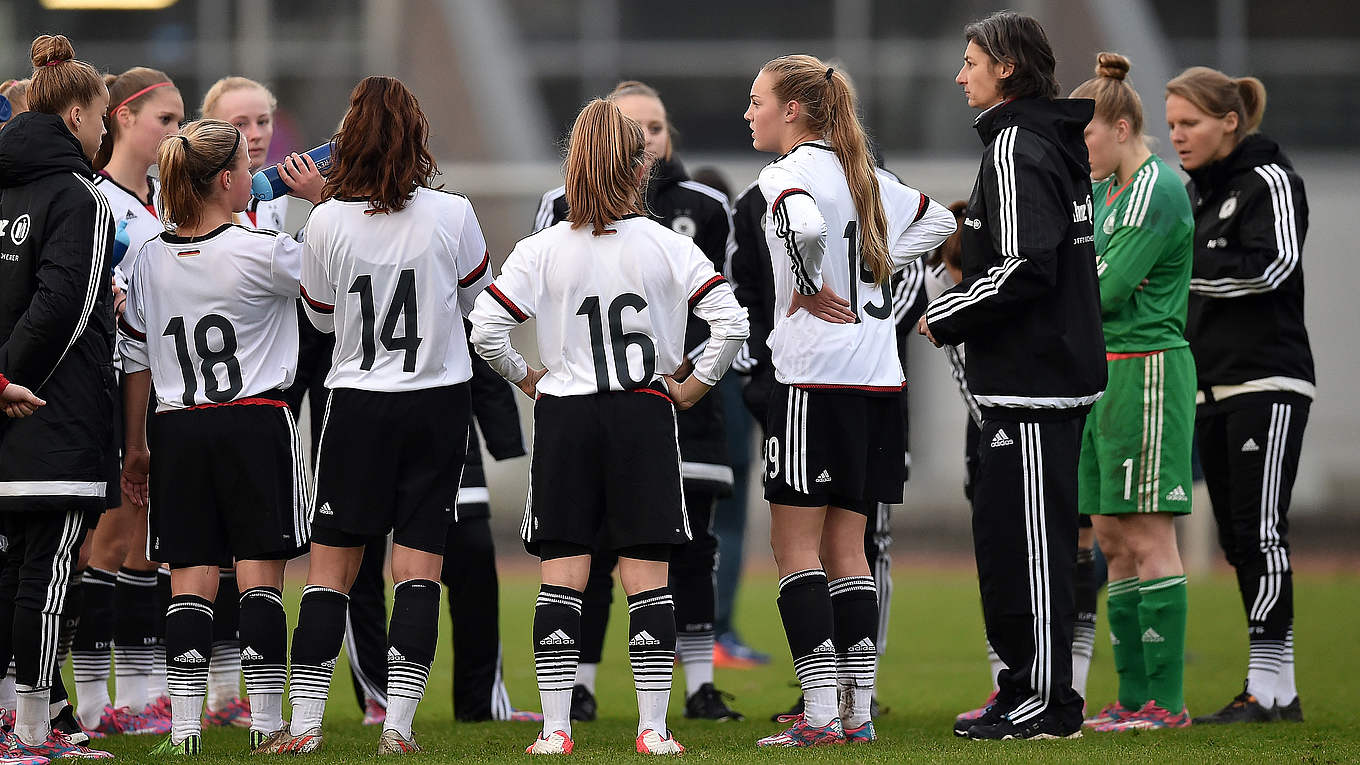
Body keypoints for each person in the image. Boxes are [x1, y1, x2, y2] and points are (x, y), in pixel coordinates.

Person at [470, 98, 748, 756]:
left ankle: (555, 728)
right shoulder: (667, 244)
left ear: (574, 167)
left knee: (562, 571)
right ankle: (653, 727)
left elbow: (485, 326)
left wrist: (527, 376)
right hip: (643, 412)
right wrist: (694, 384)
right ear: (638, 167)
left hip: (566, 414)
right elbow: (731, 322)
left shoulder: (542, 248)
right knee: (646, 572)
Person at [255, 75, 494, 756]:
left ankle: (302, 728)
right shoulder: (454, 212)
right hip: (438, 402)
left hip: (358, 403)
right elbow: (475, 293)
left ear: (348, 140)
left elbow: (320, 316)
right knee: (418, 569)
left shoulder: (324, 219)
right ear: (417, 137)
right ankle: (398, 728)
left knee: (330, 571)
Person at [745, 55, 955, 747]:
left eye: (758, 102)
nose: (750, 114)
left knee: (794, 548)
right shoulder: (867, 177)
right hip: (878, 382)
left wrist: (807, 283)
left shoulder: (787, 175)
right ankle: (857, 710)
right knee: (850, 547)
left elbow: (802, 229)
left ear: (794, 111)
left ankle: (817, 714)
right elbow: (938, 224)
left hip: (813, 378)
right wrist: (879, 265)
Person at [919, 11, 1106, 740]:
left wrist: (952, 311)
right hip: (1034, 377)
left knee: (1035, 550)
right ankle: (1022, 687)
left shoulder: (1018, 142)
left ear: (1006, 68)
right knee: (1012, 544)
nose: (961, 74)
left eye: (971, 61)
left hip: (1036, 382)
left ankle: (1050, 702)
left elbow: (1029, 266)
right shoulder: (1036, 139)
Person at [117, 117, 319, 755]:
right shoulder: (263, 249)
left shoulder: (149, 255)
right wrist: (320, 202)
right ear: (229, 181)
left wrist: (137, 444)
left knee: (189, 579)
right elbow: (334, 296)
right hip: (255, 422)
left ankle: (182, 733)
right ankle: (265, 727)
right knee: (260, 577)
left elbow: (136, 355)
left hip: (176, 428)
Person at [1166, 66, 1312, 725]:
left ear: (1230, 121)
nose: (1177, 137)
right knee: (1234, 535)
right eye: (1170, 125)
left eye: (1189, 123)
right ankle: (1273, 691)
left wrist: (1184, 276)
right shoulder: (1195, 194)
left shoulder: (1270, 179)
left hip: (1267, 381)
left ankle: (1272, 685)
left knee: (1260, 531)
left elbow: (1274, 265)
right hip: (1211, 387)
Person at [1067, 53, 1197, 732]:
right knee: (1112, 537)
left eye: (1083, 134)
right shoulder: (1107, 190)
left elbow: (1105, 289)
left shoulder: (1155, 187)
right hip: (1104, 372)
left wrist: (1058, 287)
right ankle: (1131, 696)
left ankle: (1165, 702)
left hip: (1146, 369)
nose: (1076, 148)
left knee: (1148, 533)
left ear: (1118, 127)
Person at [0, 33, 115, 761]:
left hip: (6, 407)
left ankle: (17, 725)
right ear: (75, 115)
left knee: (11, 570)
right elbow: (66, 306)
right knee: (47, 575)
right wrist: (14, 378)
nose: (105, 132)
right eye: (103, 117)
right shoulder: (79, 196)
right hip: (52, 411)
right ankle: (34, 733)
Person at [196, 74, 323, 732]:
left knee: (250, 546)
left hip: (266, 386)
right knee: (200, 549)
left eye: (263, 121)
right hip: (204, 396)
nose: (254, 135)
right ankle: (209, 686)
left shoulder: (273, 199)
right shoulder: (184, 200)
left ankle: (239, 692)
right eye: (239, 123)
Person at [76, 64, 184, 739]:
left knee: (148, 542)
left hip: (167, 382)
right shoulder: (97, 197)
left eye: (179, 122)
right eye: (164, 120)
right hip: (115, 383)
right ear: (122, 117)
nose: (173, 132)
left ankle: (143, 691)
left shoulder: (167, 200)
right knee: (109, 538)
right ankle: (89, 699)